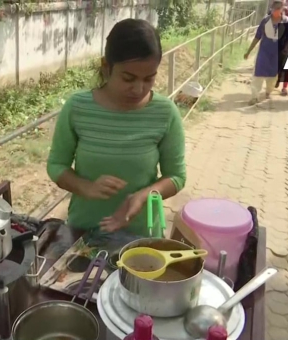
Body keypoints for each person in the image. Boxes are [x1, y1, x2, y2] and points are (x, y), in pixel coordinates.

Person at [46, 18, 186, 238]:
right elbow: (56, 165)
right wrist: (85, 187)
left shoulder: (165, 112)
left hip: (142, 235)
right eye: (128, 78)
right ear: (106, 67)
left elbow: (176, 176)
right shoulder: (78, 108)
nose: (139, 88)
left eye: (149, 79)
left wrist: (144, 196)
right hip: (84, 233)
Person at [244, 0, 288, 105]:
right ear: (271, 8)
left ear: (283, 8)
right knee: (258, 75)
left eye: (279, 7)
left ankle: (268, 91)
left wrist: (285, 48)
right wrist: (248, 51)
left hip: (277, 53)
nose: (277, 9)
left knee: (272, 76)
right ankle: (254, 96)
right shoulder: (265, 21)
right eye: (275, 7)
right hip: (264, 51)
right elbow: (257, 37)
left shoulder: (287, 21)